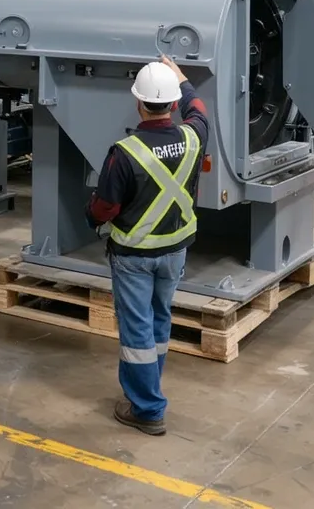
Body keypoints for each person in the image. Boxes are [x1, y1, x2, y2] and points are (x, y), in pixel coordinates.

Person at [87, 55, 211, 437]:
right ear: (173, 104)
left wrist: (91, 216)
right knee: (159, 319)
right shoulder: (193, 137)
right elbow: (199, 111)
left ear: (138, 102)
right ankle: (149, 388)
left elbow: (106, 208)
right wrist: (182, 78)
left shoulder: (125, 153)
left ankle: (147, 409)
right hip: (175, 252)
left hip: (134, 257)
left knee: (137, 330)